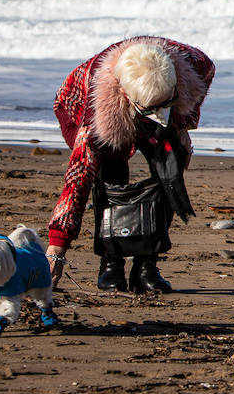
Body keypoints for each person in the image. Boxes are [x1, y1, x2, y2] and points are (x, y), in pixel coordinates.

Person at [45, 36, 214, 293]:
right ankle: (110, 262)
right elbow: (76, 183)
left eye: (166, 103)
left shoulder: (195, 63)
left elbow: (198, 88)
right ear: (126, 94)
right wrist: (56, 251)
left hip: (153, 96)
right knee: (110, 176)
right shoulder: (94, 111)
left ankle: (147, 264)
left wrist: (181, 124)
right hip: (96, 109)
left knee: (169, 169)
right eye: (153, 109)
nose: (160, 112)